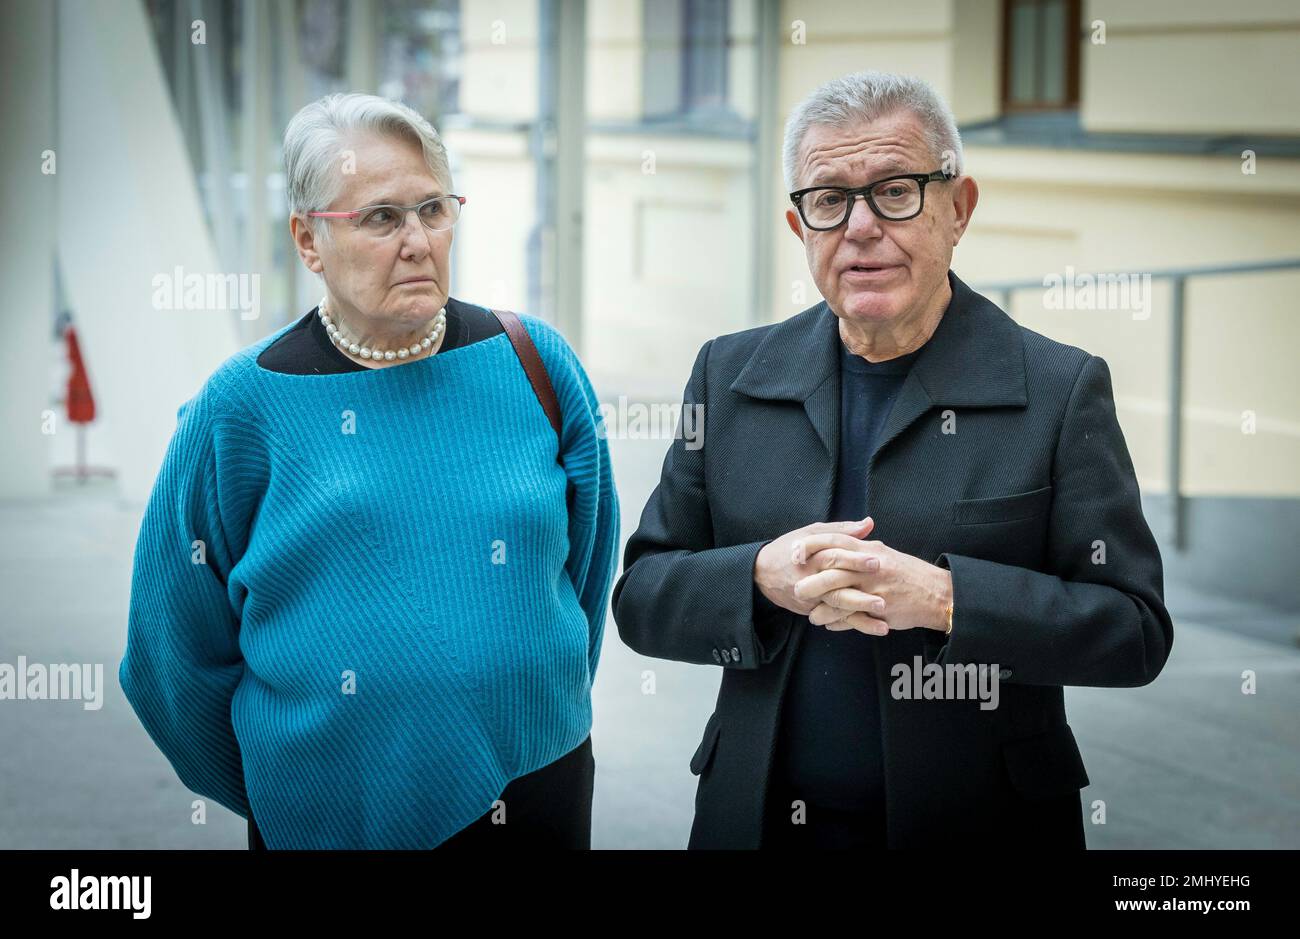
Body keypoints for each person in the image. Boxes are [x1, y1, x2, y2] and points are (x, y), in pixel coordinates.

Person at [612, 71, 1173, 849]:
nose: (861, 227)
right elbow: (642, 595)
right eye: (830, 199)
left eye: (896, 191)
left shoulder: (1058, 389)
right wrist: (758, 577)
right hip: (758, 820)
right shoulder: (730, 376)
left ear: (959, 209)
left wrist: (948, 599)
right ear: (798, 224)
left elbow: (1134, 630)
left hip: (984, 829)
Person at [119, 92, 619, 849]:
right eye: (381, 217)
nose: (417, 240)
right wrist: (285, 791)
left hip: (537, 785)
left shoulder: (534, 361)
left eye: (433, 208)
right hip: (331, 814)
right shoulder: (243, 406)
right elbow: (170, 655)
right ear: (308, 240)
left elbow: (585, 571)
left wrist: (523, 702)